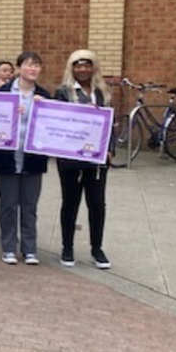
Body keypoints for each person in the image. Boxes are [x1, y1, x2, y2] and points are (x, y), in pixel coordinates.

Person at [55, 50, 113, 270]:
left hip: (96, 159)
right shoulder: (63, 92)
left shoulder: (103, 92)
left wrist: (110, 148)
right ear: (72, 68)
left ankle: (97, 248)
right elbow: (59, 122)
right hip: (71, 159)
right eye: (78, 66)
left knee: (97, 204)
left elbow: (110, 122)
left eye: (87, 65)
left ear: (93, 67)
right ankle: (67, 247)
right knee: (70, 203)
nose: (83, 70)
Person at [0, 51, 50, 266]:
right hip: (7, 157)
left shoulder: (45, 95)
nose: (33, 69)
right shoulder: (4, 91)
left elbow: (53, 127)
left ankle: (30, 249)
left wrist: (44, 108)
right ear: (19, 68)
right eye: (28, 65)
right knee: (8, 205)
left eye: (37, 66)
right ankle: (9, 247)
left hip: (33, 158)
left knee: (29, 206)